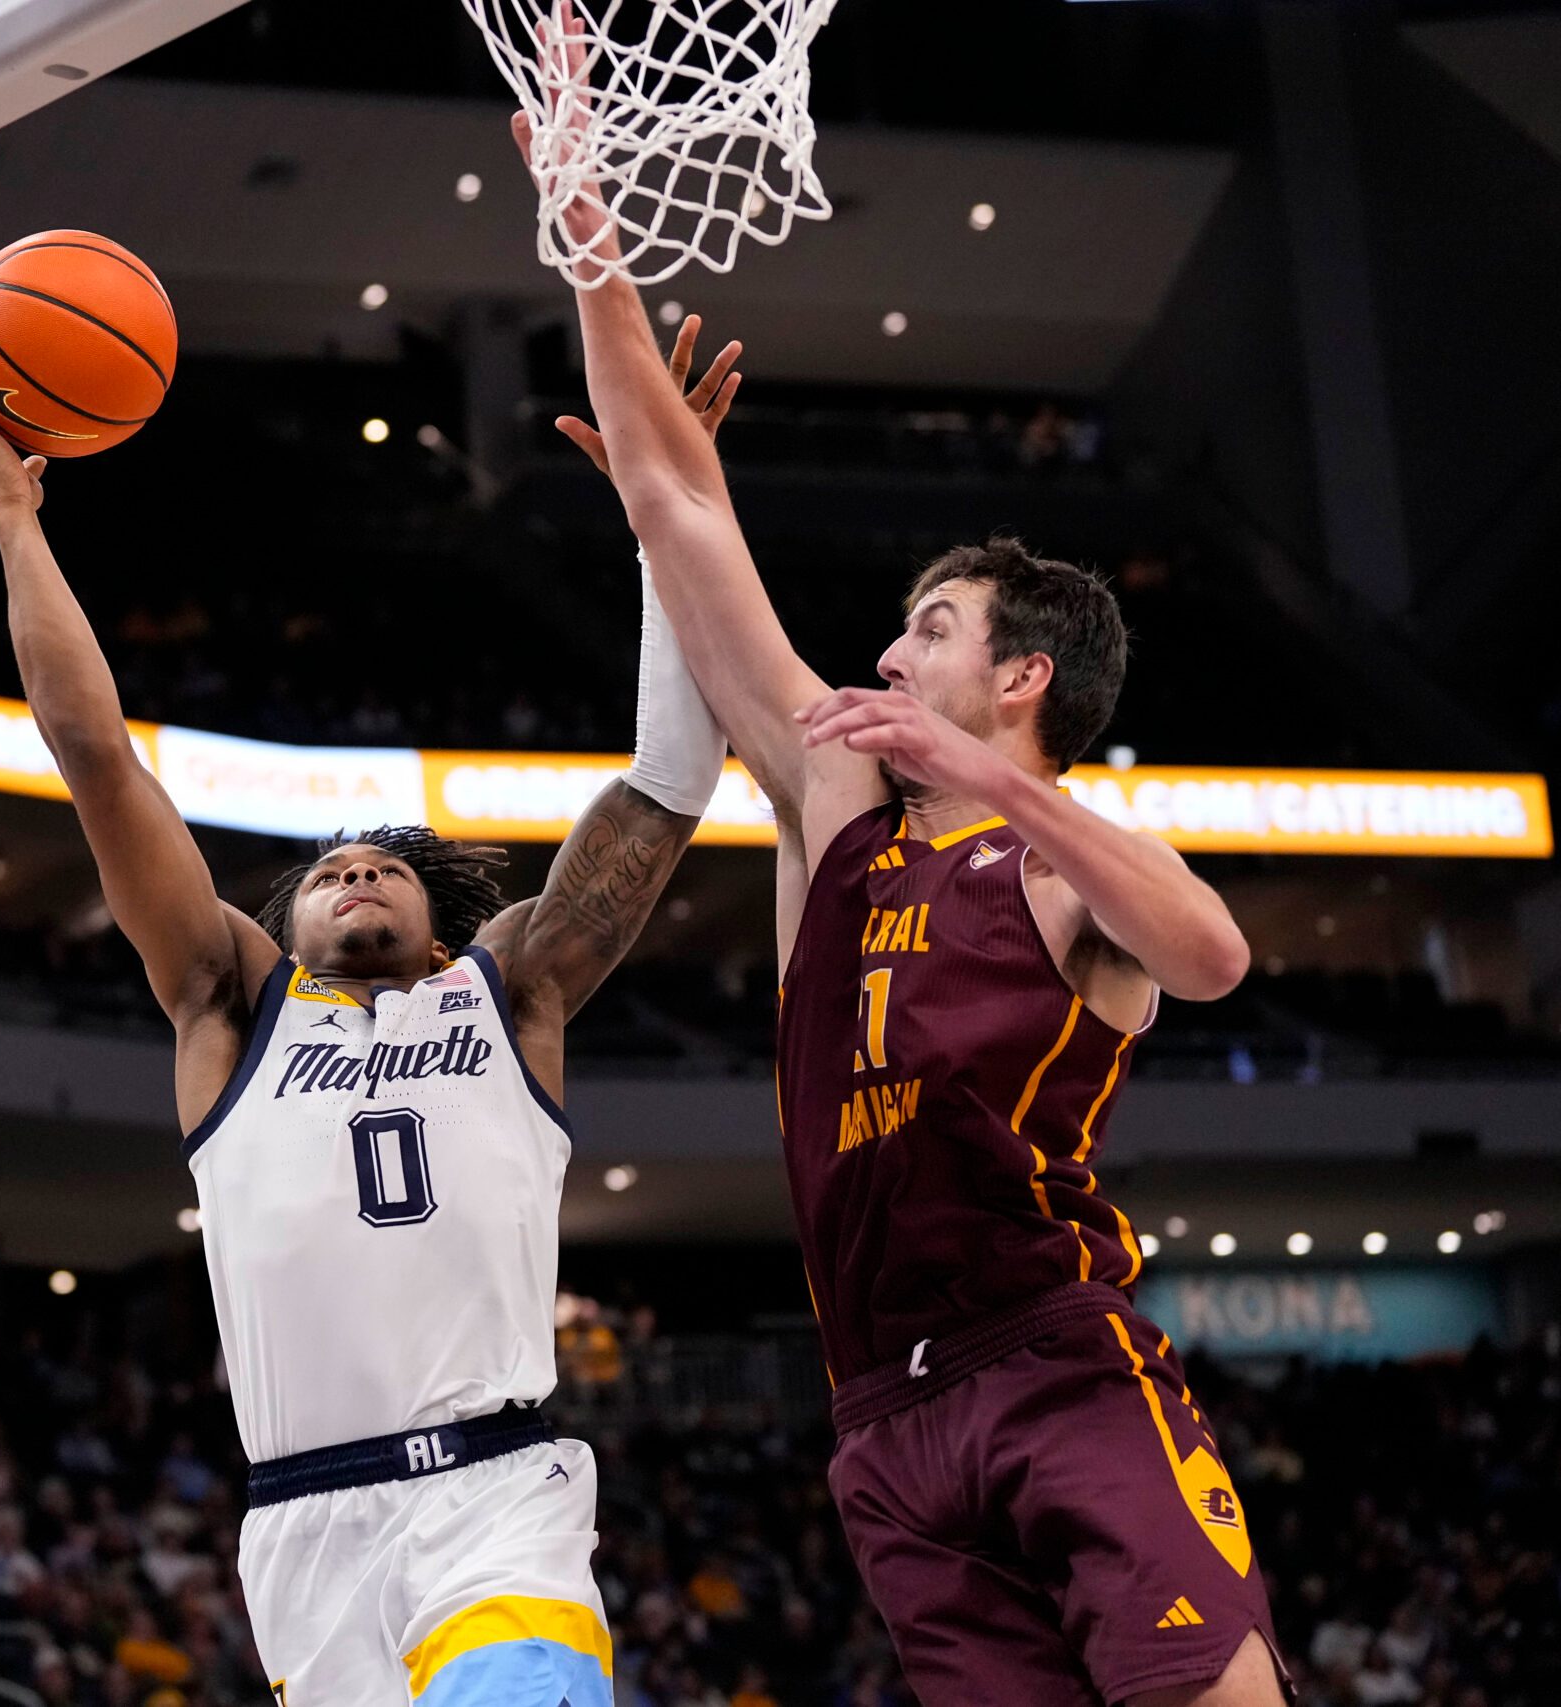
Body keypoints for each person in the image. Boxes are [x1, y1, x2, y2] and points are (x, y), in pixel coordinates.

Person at [517, 37, 1283, 1704]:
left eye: (928, 628)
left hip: (1058, 1367)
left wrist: (993, 794)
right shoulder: (838, 810)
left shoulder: (1069, 874)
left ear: (1023, 681)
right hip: (881, 1418)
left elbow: (1213, 957)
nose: (884, 649)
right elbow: (669, 497)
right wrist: (580, 210)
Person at [0, 334, 732, 1707]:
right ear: (286, 922)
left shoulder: (512, 989)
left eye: (387, 869)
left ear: (437, 922)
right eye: (326, 872)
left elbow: (668, 784)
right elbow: (94, 756)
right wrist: (13, 515)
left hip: (500, 1501)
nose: (356, 872)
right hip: (308, 1532)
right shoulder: (228, 1007)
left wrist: (670, 527)